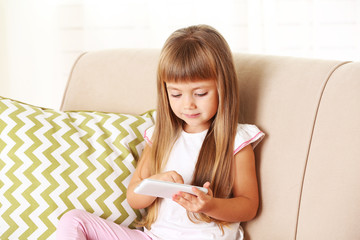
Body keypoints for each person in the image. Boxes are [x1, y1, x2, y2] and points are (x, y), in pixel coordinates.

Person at [56, 24, 265, 240]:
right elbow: (134, 197)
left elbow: (248, 206)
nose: (188, 105)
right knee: (73, 220)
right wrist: (157, 182)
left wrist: (209, 205)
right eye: (176, 94)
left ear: (224, 88)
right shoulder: (159, 137)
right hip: (154, 237)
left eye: (200, 93)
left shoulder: (236, 140)